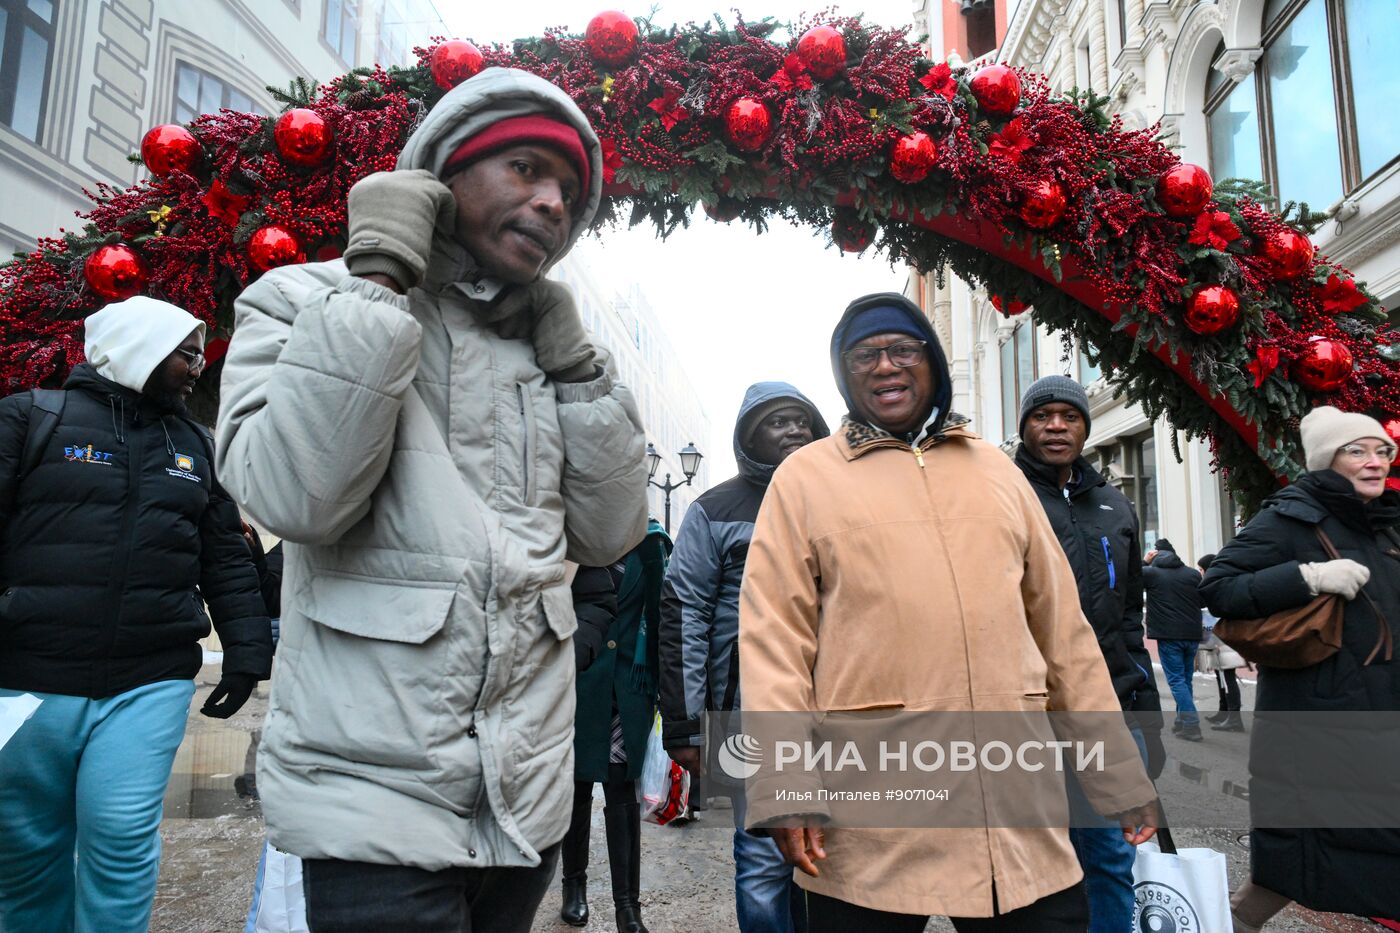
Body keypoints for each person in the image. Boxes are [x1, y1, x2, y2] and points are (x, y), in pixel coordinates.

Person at [215, 67, 649, 932]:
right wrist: (375, 285)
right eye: (526, 168)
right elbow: (293, 494)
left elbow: (608, 534)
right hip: (372, 799)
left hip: (525, 800)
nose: (555, 202)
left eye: (568, 189)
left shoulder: (559, 356)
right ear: (446, 170)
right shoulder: (302, 298)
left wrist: (579, 376)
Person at [738, 293, 1158, 932]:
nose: (886, 367)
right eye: (866, 356)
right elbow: (774, 642)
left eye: (902, 350)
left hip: (1012, 796)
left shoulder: (996, 470)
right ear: (843, 375)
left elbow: (1064, 637)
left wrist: (1117, 775)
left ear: (931, 362)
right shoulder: (804, 479)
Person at [0, 296, 273, 933]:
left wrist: (246, 654)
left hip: (148, 680)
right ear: (139, 349)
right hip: (27, 679)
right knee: (26, 845)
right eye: (184, 353)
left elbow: (225, 559)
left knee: (121, 835)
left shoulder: (196, 446)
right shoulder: (29, 418)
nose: (197, 366)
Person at [1201, 406, 1400, 932]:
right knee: (1296, 855)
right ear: (1326, 460)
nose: (1374, 461)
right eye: (1357, 450)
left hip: (1382, 719)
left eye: (1383, 451)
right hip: (1318, 728)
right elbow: (1219, 588)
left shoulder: (1388, 525)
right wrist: (1308, 576)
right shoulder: (1291, 517)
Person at [658, 380, 828, 933]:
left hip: (838, 709)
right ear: (749, 437)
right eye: (778, 421)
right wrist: (685, 726)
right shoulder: (713, 510)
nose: (794, 430)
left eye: (801, 420)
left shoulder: (837, 497)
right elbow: (683, 612)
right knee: (761, 862)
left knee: (835, 859)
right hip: (748, 712)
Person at [1013, 374, 1164, 933]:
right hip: (1026, 716)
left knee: (1108, 856)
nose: (1056, 426)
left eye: (1069, 416)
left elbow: (1129, 616)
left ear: (1085, 426)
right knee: (1036, 864)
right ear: (1025, 426)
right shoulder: (1005, 496)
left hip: (1106, 710)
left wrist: (1145, 714)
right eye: (1042, 415)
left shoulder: (1114, 507)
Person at [560, 519, 670, 933]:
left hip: (629, 687)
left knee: (623, 792)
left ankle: (628, 907)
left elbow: (661, 616)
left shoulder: (651, 544)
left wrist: (666, 691)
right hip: (580, 680)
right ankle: (575, 889)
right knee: (577, 787)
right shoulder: (578, 537)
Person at [1143, 538, 1204, 740]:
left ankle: (1191, 725)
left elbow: (1131, 579)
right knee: (1185, 680)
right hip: (1192, 634)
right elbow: (1202, 599)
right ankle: (1181, 721)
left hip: (1168, 635)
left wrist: (1144, 562)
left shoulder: (1151, 574)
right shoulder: (1193, 574)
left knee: (1177, 681)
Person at [1194, 553, 1247, 733]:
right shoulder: (1224, 581)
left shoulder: (1218, 584)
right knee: (1221, 676)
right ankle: (1224, 711)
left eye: (1201, 569)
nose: (1200, 573)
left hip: (1224, 639)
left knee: (1228, 677)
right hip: (1220, 638)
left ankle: (1234, 717)